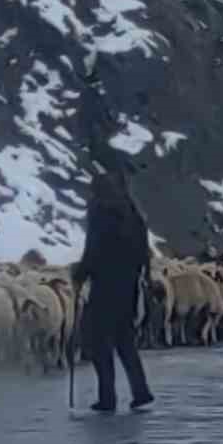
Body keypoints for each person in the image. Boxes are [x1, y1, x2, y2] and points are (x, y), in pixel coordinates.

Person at [69, 160, 155, 413]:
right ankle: (141, 391)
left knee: (99, 342)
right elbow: (143, 252)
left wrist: (81, 272)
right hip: (128, 287)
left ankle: (108, 397)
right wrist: (142, 276)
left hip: (104, 286)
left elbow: (94, 248)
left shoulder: (100, 211)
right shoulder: (133, 212)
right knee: (125, 340)